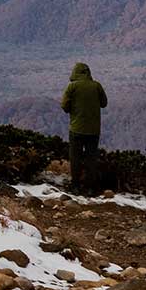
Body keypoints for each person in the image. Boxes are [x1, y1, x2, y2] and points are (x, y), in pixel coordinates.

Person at [59, 62, 107, 194]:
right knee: (91, 158)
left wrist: (73, 109)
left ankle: (75, 186)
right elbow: (104, 103)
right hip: (93, 130)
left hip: (76, 128)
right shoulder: (96, 86)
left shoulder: (72, 87)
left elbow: (64, 106)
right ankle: (91, 187)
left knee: (76, 157)